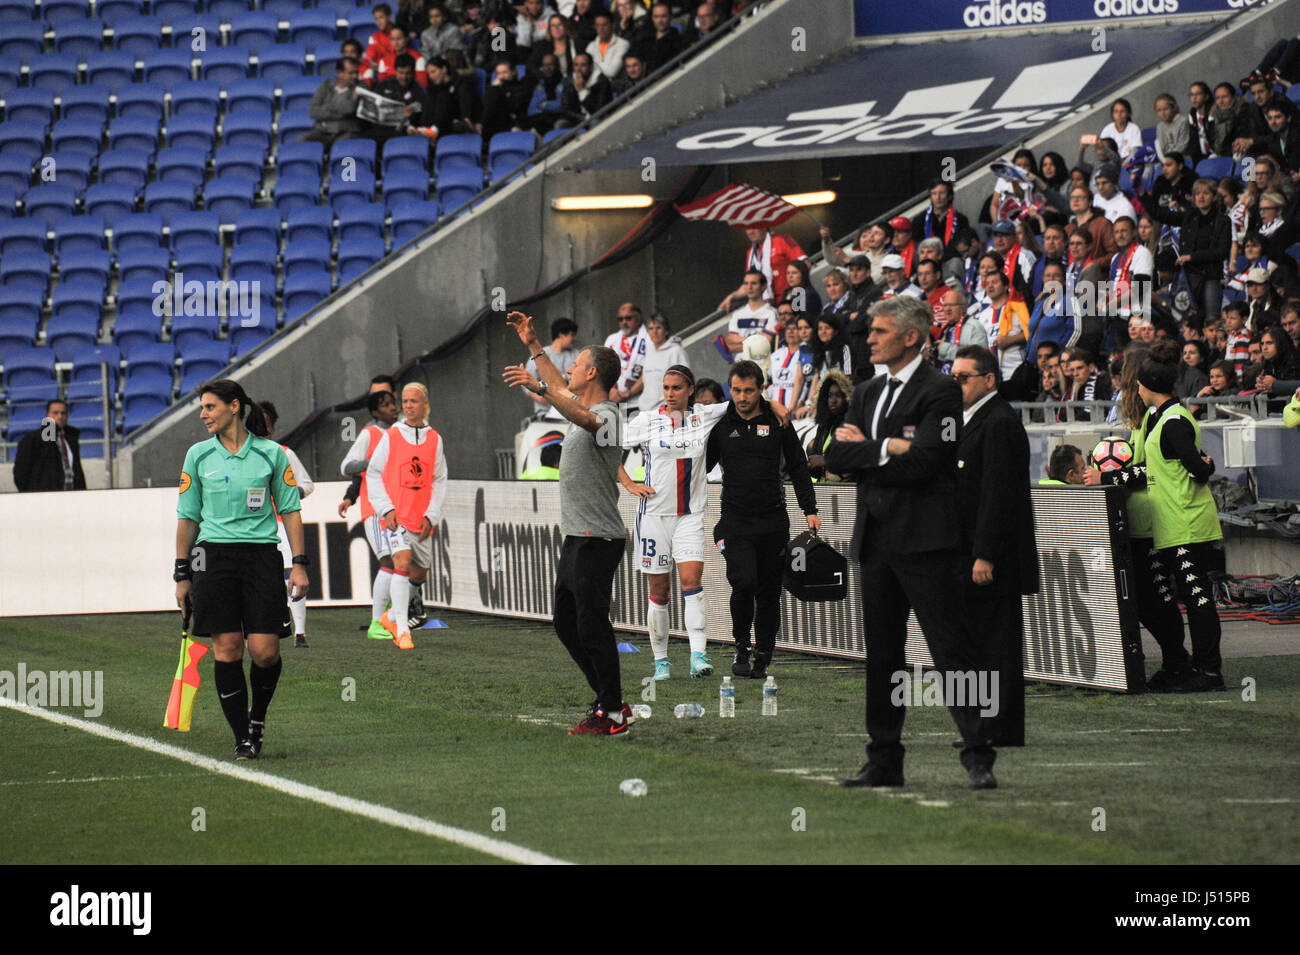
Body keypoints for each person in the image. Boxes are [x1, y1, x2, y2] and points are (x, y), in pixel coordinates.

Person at [824, 296, 998, 790]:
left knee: (951, 650)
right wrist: (885, 447)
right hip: (876, 542)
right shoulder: (866, 390)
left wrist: (869, 451)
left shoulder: (942, 390)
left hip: (928, 542)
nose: (870, 338)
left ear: (910, 337)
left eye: (879, 331)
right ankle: (884, 759)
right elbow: (835, 454)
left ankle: (978, 752)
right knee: (882, 655)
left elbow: (929, 460)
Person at [501, 311, 633, 735]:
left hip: (599, 537)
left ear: (592, 372)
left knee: (591, 622)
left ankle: (612, 713)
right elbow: (560, 391)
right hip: (579, 535)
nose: (569, 370)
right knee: (565, 621)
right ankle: (610, 700)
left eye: (575, 365)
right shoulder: (581, 404)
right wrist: (533, 343)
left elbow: (580, 415)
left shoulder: (609, 414)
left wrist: (540, 385)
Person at [174, 380, 306, 760]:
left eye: (209, 407)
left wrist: (299, 565)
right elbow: (187, 518)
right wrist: (182, 574)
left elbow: (292, 510)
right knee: (228, 648)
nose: (203, 415)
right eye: (202, 408)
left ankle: (257, 718)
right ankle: (242, 737)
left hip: (262, 557)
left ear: (234, 407)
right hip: (212, 560)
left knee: (264, 652)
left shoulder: (271, 454)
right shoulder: (197, 456)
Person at [705, 360, 818, 681]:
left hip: (772, 521)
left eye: (749, 391)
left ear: (761, 390)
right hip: (734, 522)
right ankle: (741, 646)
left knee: (769, 592)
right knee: (744, 582)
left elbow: (797, 466)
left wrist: (810, 509)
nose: (742, 397)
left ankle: (764, 654)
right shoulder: (721, 423)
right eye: (736, 390)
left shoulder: (778, 421)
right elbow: (700, 465)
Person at [1122, 339, 1224, 691]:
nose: (1136, 387)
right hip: (1176, 523)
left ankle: (1209, 672)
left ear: (1147, 387)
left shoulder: (1173, 422)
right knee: (1193, 597)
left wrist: (1206, 465)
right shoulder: (1162, 417)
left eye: (1138, 383)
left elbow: (1197, 468)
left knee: (1197, 598)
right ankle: (1198, 667)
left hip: (1188, 525)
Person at [950, 345, 1037, 747]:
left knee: (996, 643)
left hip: (994, 555)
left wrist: (984, 552)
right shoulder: (972, 419)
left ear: (988, 379)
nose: (957, 385)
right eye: (953, 377)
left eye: (964, 377)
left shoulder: (999, 421)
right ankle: (979, 726)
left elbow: (997, 495)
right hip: (970, 550)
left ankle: (999, 727)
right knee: (975, 642)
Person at [618, 364, 726, 680]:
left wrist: (772, 403)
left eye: (676, 388)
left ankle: (698, 656)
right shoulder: (648, 420)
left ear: (690, 390)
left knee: (692, 584)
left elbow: (745, 402)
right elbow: (608, 447)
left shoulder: (703, 416)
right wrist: (629, 483)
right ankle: (661, 661)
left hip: (689, 516)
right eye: (666, 388)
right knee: (660, 592)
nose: (670, 394)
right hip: (653, 517)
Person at [365, 382, 449, 650]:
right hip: (396, 516)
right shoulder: (391, 435)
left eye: (414, 401)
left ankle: (390, 618)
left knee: (420, 574)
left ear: (425, 404)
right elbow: (374, 473)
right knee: (401, 561)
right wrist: (386, 508)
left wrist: (431, 515)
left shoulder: (435, 438)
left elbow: (439, 479)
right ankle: (402, 630)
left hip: (421, 517)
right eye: (405, 401)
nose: (408, 406)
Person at [340, 388, 402, 639]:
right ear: (375, 412)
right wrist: (374, 462)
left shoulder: (402, 433)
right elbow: (347, 466)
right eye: (386, 405)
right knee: (388, 562)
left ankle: (392, 618)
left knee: (402, 563)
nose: (393, 408)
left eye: (393, 403)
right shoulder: (369, 434)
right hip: (376, 510)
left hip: (398, 509)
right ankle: (377, 623)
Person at [259, 401, 316, 649]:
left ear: (272, 429)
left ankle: (300, 631)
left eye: (265, 424)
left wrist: (291, 495)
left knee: (290, 575)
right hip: (255, 528)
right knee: (263, 580)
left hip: (281, 525)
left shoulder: (285, 453)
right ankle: (268, 627)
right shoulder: (240, 455)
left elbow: (307, 484)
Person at [719, 227, 805, 308]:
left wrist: (797, 303)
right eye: (747, 229)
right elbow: (751, 282)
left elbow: (805, 265)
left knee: (800, 322)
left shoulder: (782, 240)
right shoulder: (751, 253)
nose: (750, 232)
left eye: (753, 227)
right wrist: (733, 296)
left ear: (763, 225)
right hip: (769, 307)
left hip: (791, 299)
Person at [13, 398, 86, 492]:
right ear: (47, 415)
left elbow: (77, 471)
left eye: (63, 413)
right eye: (55, 413)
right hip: (44, 498)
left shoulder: (71, 440)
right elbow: (20, 473)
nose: (60, 416)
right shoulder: (33, 439)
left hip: (71, 495)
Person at [525, 317, 579, 420]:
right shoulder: (540, 354)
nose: (574, 338)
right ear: (561, 334)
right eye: (572, 335)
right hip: (544, 414)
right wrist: (539, 397)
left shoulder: (576, 354)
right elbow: (526, 380)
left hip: (570, 413)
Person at [633, 313, 688, 414]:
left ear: (666, 331)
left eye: (658, 328)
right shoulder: (649, 352)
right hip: (644, 411)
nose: (654, 332)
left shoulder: (676, 351)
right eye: (651, 328)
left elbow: (686, 381)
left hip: (666, 411)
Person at [301, 58, 363, 146]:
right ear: (339, 73)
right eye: (351, 73)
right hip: (323, 131)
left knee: (340, 146)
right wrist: (340, 113)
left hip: (346, 132)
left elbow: (349, 109)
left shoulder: (360, 87)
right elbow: (313, 111)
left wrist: (326, 107)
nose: (355, 76)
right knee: (301, 140)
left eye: (356, 72)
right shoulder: (325, 86)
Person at [804, 369, 851, 482]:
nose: (833, 400)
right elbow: (815, 474)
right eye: (830, 396)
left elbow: (857, 461)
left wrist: (825, 460)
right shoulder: (824, 427)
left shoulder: (852, 427)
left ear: (847, 398)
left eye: (838, 395)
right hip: (824, 491)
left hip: (847, 493)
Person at [724, 270, 779, 355]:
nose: (749, 287)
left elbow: (764, 345)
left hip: (763, 365)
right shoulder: (737, 315)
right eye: (746, 283)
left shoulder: (772, 313)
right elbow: (731, 345)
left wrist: (740, 340)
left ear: (763, 286)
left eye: (754, 283)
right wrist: (756, 340)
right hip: (740, 365)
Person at [605, 302, 648, 403]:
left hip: (639, 400)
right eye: (620, 319)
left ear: (638, 319)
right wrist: (612, 390)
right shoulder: (612, 339)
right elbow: (604, 369)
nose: (624, 322)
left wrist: (628, 393)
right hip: (615, 398)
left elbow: (649, 371)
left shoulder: (649, 339)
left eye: (628, 318)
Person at [585, 11, 630, 81]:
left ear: (613, 25)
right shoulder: (590, 47)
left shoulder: (623, 44)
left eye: (604, 25)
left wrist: (592, 66)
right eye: (598, 25)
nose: (600, 29)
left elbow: (612, 72)